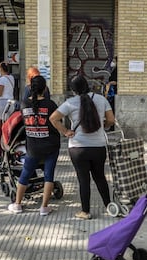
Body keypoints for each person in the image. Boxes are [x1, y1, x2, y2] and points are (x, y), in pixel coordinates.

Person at [50, 75, 115, 220]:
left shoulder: (70, 103)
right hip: (98, 147)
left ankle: (85, 212)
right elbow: (111, 120)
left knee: (83, 179)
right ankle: (110, 206)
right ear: (88, 85)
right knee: (100, 177)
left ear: (73, 90)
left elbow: (53, 118)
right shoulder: (101, 99)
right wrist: (102, 126)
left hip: (78, 148)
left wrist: (66, 131)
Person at [8, 75, 61, 216]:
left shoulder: (24, 103)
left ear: (31, 88)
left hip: (33, 147)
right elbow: (58, 121)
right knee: (49, 175)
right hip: (51, 145)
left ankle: (18, 204)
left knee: (25, 174)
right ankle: (44, 207)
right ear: (45, 88)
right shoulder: (51, 105)